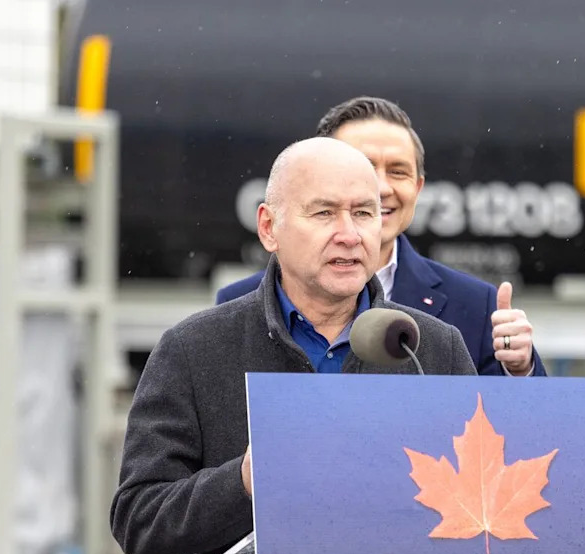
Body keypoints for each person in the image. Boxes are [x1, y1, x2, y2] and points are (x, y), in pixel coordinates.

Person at [111, 137, 477, 554]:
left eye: (364, 213)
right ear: (269, 227)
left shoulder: (429, 348)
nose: (349, 235)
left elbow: (475, 534)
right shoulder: (194, 349)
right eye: (324, 213)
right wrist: (242, 483)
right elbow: (140, 520)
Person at [217, 96, 547, 379]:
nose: (381, 188)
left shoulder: (474, 306)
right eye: (361, 167)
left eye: (398, 171)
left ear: (418, 188)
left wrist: (520, 371)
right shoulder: (236, 306)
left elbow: (499, 435)